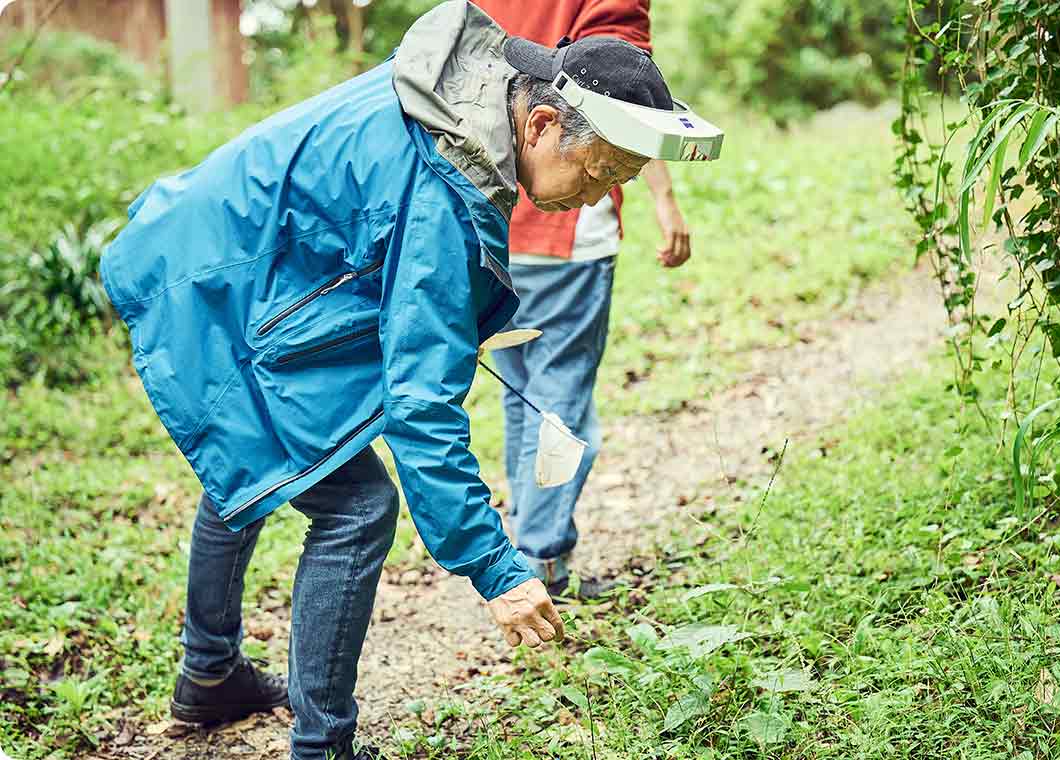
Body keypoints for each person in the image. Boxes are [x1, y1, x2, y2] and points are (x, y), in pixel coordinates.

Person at [99, 2, 718, 758]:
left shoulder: (472, 92)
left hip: (216, 256)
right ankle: (321, 746)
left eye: (619, 180)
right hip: (207, 285)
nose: (595, 196)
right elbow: (421, 409)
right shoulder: (446, 190)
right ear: (542, 124)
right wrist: (495, 568)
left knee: (252, 448)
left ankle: (210, 675)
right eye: (598, 172)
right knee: (357, 507)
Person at [471, 0, 692, 600]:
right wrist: (663, 196)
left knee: (522, 393)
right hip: (566, 224)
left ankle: (525, 547)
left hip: (493, 209)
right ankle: (541, 558)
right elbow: (623, 104)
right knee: (560, 397)